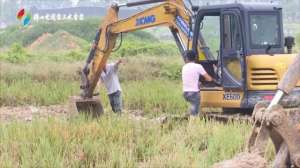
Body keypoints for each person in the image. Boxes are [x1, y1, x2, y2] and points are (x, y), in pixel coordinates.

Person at [182, 50, 213, 119]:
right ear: (196, 57)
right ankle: (192, 125)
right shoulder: (198, 66)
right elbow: (209, 79)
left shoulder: (184, 67)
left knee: (195, 107)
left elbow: (190, 78)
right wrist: (209, 79)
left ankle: (193, 115)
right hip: (193, 94)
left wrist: (198, 82)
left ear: (186, 58)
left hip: (185, 93)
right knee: (194, 113)